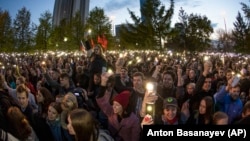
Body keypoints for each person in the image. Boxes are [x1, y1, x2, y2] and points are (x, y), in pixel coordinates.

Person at [96, 72, 141, 141]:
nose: (114, 107)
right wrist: (103, 84)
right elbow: (101, 101)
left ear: (124, 106)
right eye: (113, 104)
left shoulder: (134, 120)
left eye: (117, 105)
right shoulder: (111, 112)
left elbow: (134, 138)